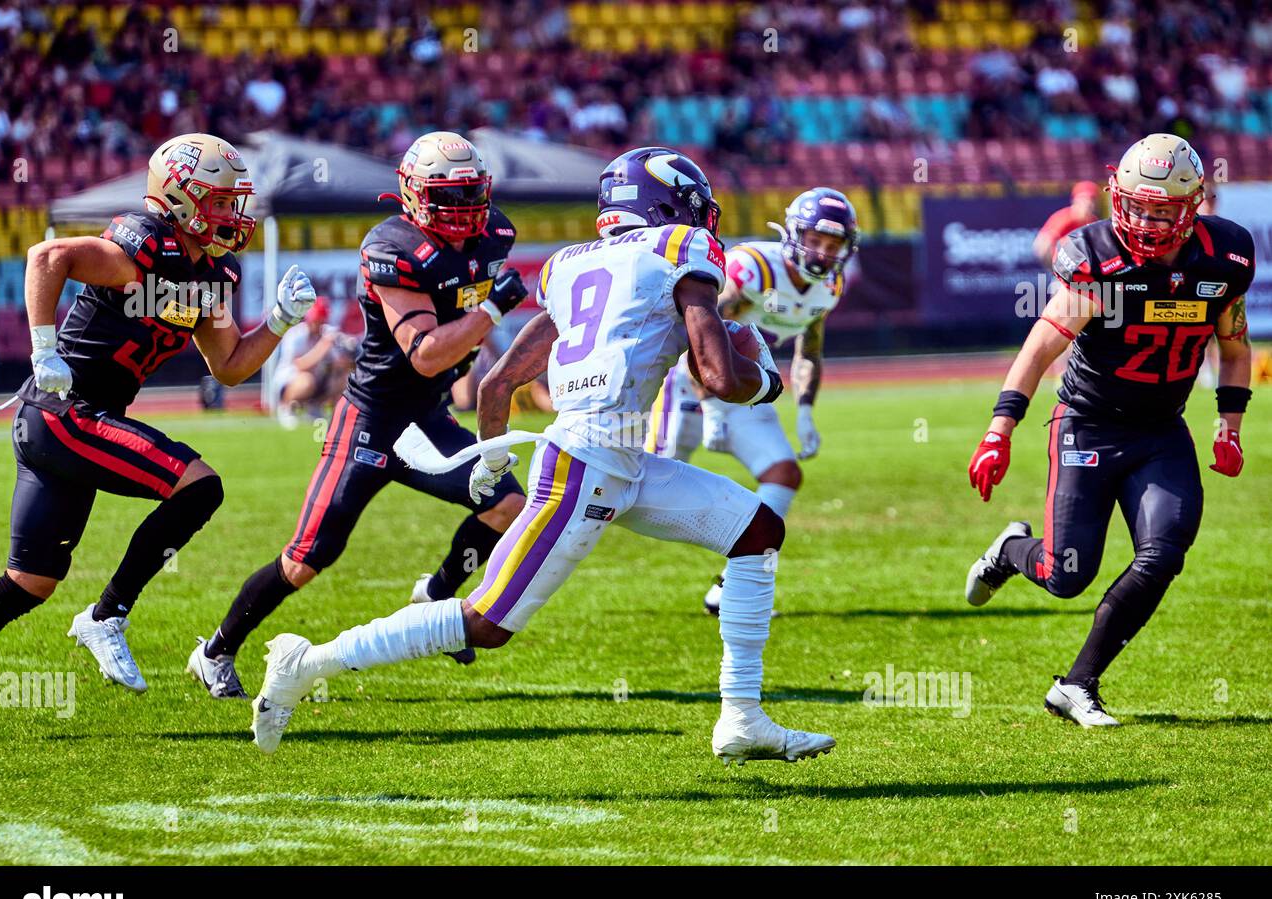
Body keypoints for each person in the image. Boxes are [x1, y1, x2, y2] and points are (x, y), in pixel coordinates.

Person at [248, 146, 835, 765]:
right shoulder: (680, 249)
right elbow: (716, 375)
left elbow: (500, 382)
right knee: (485, 624)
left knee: (758, 531)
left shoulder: (570, 264)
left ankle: (741, 718)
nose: (702, 217)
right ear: (668, 204)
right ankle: (305, 662)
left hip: (612, 460)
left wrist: (492, 464)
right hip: (587, 467)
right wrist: (767, 379)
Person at [188, 131, 528, 699]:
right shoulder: (390, 245)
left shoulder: (495, 233)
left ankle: (438, 594)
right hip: (371, 420)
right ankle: (217, 649)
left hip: (429, 419)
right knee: (307, 559)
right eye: (449, 195)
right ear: (414, 194)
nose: (466, 208)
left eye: (472, 191)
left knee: (509, 507)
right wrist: (493, 308)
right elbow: (425, 355)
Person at [0, 133, 316, 691]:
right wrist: (42, 348)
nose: (232, 213)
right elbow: (48, 256)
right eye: (220, 200)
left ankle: (100, 617)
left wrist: (277, 320)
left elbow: (228, 366)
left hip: (65, 426)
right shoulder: (147, 246)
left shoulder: (211, 275)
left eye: (234, 201)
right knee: (200, 486)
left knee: (28, 584)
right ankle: (106, 616)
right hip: (66, 412)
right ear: (180, 198)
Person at [965, 134, 1255, 726]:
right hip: (1088, 425)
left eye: (1162, 209)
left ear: (1193, 205)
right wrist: (1001, 429)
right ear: (1117, 197)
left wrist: (1230, 425)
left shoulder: (1225, 257)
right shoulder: (1096, 258)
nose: (1145, 220)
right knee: (1066, 575)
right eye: (1137, 204)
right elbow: (1040, 346)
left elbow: (1234, 343)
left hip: (1159, 430)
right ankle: (1010, 551)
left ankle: (1077, 686)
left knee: (1165, 550)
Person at [647, 188, 858, 614]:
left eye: (833, 246)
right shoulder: (755, 268)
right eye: (815, 241)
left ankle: (729, 588)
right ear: (793, 234)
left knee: (783, 473)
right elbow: (697, 330)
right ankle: (552, 530)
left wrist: (804, 412)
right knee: (633, 486)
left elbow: (809, 349)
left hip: (744, 388)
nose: (822, 254)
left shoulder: (830, 285)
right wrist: (709, 401)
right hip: (688, 381)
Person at [272, 297, 356, 429]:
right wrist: (323, 347)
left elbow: (338, 363)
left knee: (344, 378)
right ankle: (286, 406)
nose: (318, 324)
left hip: (317, 379)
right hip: (290, 381)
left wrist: (348, 353)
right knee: (307, 381)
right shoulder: (296, 334)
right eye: (317, 320)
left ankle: (316, 406)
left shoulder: (327, 333)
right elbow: (299, 365)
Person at [1032, 179, 1100, 266]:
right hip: (1064, 272)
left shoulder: (1093, 221)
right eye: (1085, 199)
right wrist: (1056, 268)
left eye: (1092, 199)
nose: (1089, 203)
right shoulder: (1064, 218)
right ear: (1075, 200)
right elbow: (1041, 246)